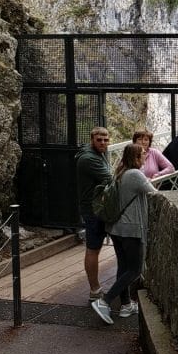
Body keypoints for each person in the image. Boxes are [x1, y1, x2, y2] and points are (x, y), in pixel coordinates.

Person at [90, 143, 156, 325]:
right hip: (130, 229)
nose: (145, 155)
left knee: (124, 267)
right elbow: (154, 193)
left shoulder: (120, 172)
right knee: (135, 269)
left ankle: (126, 305)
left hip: (116, 228)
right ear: (136, 157)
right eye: (143, 153)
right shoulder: (135, 174)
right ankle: (104, 301)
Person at [74, 126, 112, 302]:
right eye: (99, 140)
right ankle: (94, 290)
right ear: (92, 140)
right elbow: (110, 178)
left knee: (96, 248)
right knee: (93, 248)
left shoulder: (98, 153)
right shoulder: (89, 159)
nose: (103, 143)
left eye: (106, 140)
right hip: (93, 209)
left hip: (98, 206)